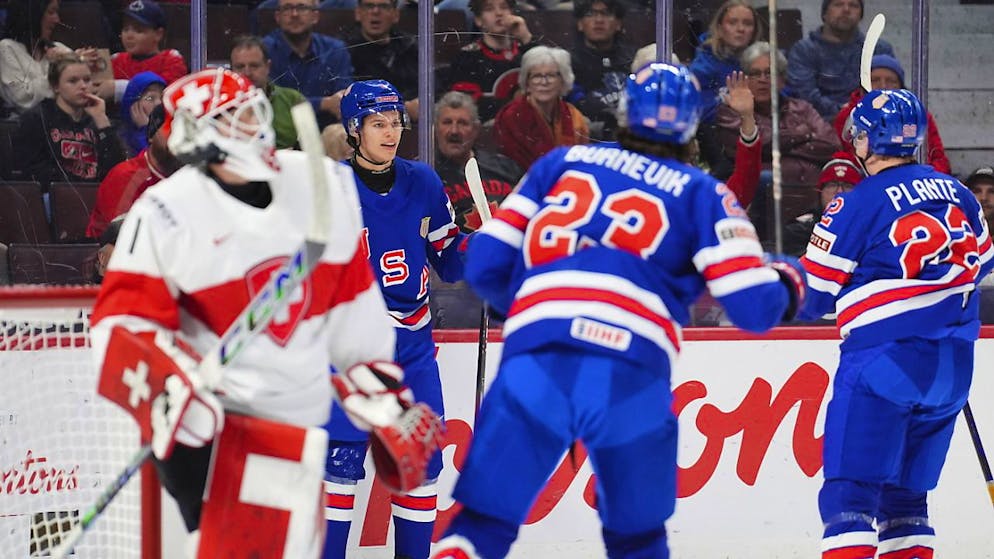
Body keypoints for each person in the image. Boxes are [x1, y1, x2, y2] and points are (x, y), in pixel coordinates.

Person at [430, 62, 807, 559]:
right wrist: (788, 279)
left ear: (625, 113)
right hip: (629, 368)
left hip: (538, 356)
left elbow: (483, 263)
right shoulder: (701, 193)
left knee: (480, 525)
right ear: (691, 127)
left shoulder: (560, 165)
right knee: (637, 540)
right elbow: (754, 308)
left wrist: (533, 309)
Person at [90, 67, 438, 558]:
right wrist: (166, 387)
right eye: (232, 117)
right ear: (196, 134)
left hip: (289, 421)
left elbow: (352, 312)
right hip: (205, 423)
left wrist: (378, 388)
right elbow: (116, 328)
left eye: (253, 112)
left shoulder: (318, 185)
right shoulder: (164, 212)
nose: (253, 127)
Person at [799, 88, 994, 559]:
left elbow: (811, 297)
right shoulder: (960, 193)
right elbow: (983, 264)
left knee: (849, 499)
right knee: (906, 500)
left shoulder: (856, 203)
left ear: (869, 140)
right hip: (952, 370)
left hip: (886, 360)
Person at [322, 80, 465, 559]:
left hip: (411, 348)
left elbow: (449, 258)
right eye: (378, 124)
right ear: (354, 129)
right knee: (339, 463)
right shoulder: (329, 187)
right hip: (348, 348)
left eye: (395, 123)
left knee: (422, 463)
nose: (390, 133)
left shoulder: (422, 181)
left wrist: (486, 246)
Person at [713, 42, 839, 189]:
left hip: (813, 194)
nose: (762, 79)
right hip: (761, 197)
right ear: (745, 80)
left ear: (782, 80)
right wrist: (803, 134)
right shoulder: (732, 112)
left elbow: (833, 145)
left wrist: (782, 146)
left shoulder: (802, 108)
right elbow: (758, 145)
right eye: (755, 74)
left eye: (769, 73)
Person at [14, 54, 126, 190]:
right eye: (73, 81)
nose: (83, 86)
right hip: (54, 195)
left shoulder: (98, 118)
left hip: (95, 194)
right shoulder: (37, 118)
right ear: (55, 86)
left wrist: (102, 121)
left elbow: (116, 169)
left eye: (87, 80)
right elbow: (33, 169)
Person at [832, 54, 951, 174]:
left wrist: (925, 179)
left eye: (891, 81)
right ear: (863, 84)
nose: (883, 86)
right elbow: (846, 159)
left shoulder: (916, 115)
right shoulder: (849, 115)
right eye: (875, 80)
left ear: (900, 86)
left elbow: (938, 157)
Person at [787, 0, 894, 120]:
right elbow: (804, 96)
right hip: (818, 126)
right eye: (838, 4)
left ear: (861, 15)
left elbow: (889, 92)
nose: (846, 10)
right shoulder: (803, 50)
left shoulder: (878, 49)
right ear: (824, 14)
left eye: (853, 5)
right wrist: (844, 111)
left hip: (869, 123)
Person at [87, 104, 181, 238]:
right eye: (171, 129)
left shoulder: (193, 176)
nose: (178, 140)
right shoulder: (126, 175)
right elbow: (122, 236)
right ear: (151, 135)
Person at [435, 91, 522, 233]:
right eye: (447, 122)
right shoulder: (427, 175)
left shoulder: (506, 168)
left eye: (463, 123)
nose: (454, 130)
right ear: (435, 128)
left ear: (476, 129)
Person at [494, 46, 589, 170]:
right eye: (537, 76)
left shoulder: (573, 115)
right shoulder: (512, 115)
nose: (544, 82)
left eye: (551, 75)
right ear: (527, 84)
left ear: (563, 81)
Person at [263, 0, 354, 127]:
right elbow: (275, 104)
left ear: (315, 16)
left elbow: (343, 97)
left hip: (327, 132)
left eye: (302, 7)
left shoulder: (334, 49)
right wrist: (323, 103)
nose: (294, 14)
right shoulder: (264, 50)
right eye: (287, 8)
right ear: (278, 17)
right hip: (281, 132)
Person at [444, 0, 535, 123]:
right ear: (478, 20)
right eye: (489, 9)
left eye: (504, 7)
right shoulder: (468, 57)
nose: (499, 13)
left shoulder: (525, 51)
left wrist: (526, 38)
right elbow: (466, 105)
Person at [567, 0, 636, 139]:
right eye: (590, 13)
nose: (598, 20)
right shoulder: (568, 61)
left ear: (618, 24)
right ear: (580, 24)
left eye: (606, 13)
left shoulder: (633, 59)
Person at [688, 0, 761, 123]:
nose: (741, 29)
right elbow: (695, 112)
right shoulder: (703, 66)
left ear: (754, 31)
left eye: (748, 23)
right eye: (732, 22)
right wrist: (730, 103)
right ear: (720, 28)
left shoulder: (763, 61)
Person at [229, 34, 307, 149]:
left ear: (267, 66)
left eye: (254, 66)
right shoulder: (220, 107)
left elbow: (311, 146)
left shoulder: (293, 99)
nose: (247, 73)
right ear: (231, 70)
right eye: (240, 67)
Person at [344, 0, 419, 117]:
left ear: (396, 15)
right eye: (369, 6)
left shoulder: (409, 46)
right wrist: (401, 107)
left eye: (384, 6)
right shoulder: (345, 49)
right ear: (358, 13)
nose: (375, 12)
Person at [778, 152, 862, 256]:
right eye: (832, 185)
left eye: (848, 185)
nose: (840, 191)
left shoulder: (872, 229)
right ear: (820, 192)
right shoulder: (800, 230)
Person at [0, 0, 73, 113]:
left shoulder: (58, 47)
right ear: (34, 15)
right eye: (51, 12)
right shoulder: (7, 48)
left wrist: (84, 62)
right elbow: (23, 99)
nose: (57, 20)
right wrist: (56, 68)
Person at [111, 0, 188, 88]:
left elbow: (161, 93)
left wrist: (118, 88)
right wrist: (94, 71)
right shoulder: (117, 61)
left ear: (158, 34)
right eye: (125, 29)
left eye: (138, 30)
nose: (129, 36)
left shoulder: (170, 60)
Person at [118, 71, 165, 156]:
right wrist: (142, 133)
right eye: (150, 98)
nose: (159, 103)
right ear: (133, 104)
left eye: (162, 97)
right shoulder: (118, 138)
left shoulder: (171, 132)